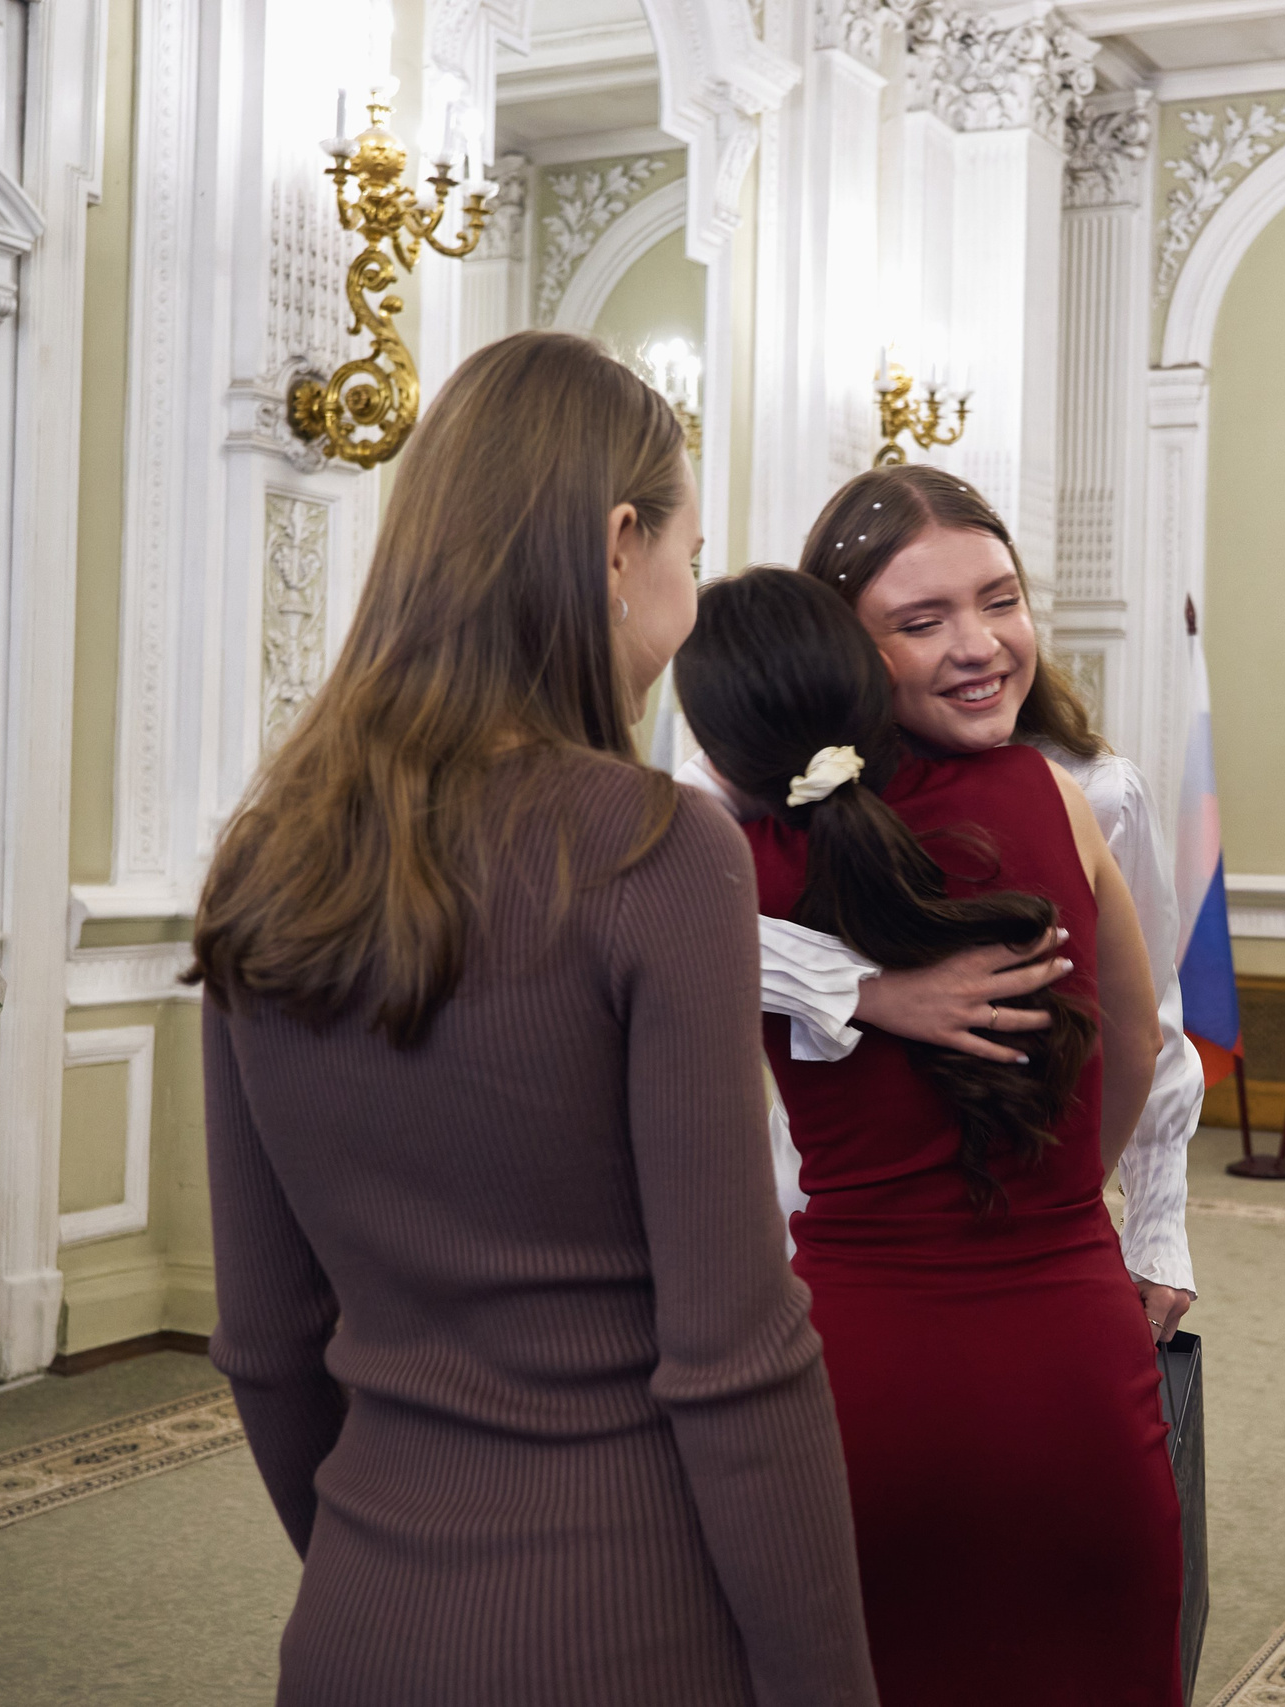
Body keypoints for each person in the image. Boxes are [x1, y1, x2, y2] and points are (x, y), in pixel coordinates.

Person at [190, 333, 877, 1707]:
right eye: (693, 542)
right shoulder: (655, 849)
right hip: (629, 1621)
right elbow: (738, 1361)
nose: (693, 581)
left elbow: (267, 1336)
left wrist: (386, 1568)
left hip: (359, 1624)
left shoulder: (262, 854)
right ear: (621, 543)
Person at [674, 566, 1179, 1706]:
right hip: (1070, 1340)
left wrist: (848, 988)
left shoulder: (718, 865)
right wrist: (1060, 1211)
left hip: (865, 1360)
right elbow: (1138, 1042)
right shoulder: (1044, 794)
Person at [705, 465, 1203, 1343]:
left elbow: (1148, 1025)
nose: (979, 645)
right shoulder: (774, 799)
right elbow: (636, 915)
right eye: (922, 622)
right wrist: (861, 988)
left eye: (1001, 601)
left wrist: (1150, 1226)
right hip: (822, 1235)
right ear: (842, 645)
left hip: (1040, 1245)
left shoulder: (1093, 790)